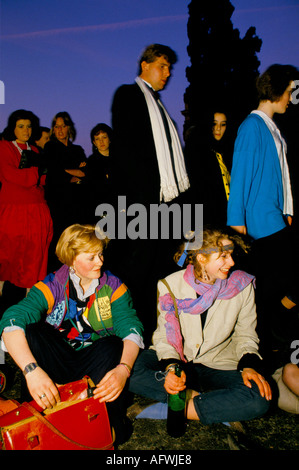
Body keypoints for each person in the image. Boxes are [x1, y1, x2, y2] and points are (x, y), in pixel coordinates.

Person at [0, 224, 144, 445]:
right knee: (34, 332)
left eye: (101, 254)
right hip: (58, 363)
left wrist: (123, 370)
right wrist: (32, 371)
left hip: (93, 365)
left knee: (114, 346)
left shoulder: (114, 287)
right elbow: (13, 318)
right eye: (91, 257)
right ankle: (37, 411)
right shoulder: (53, 284)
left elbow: (132, 330)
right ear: (72, 259)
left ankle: (105, 420)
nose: (100, 262)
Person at [128, 227, 272, 426]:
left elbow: (246, 334)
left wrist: (249, 365)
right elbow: (164, 335)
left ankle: (174, 407)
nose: (231, 262)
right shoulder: (170, 284)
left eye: (231, 255)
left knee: (260, 397)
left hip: (219, 364)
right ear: (202, 258)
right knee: (128, 368)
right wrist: (172, 368)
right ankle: (218, 408)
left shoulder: (243, 285)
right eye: (223, 256)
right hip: (180, 359)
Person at [111, 44, 190, 345]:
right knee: (136, 271)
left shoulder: (158, 105)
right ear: (144, 65)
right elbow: (127, 152)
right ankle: (127, 332)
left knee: (161, 269)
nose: (168, 73)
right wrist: (140, 203)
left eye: (170, 68)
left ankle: (155, 330)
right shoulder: (129, 94)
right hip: (142, 204)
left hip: (165, 203)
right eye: (162, 66)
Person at [227, 64, 299, 360]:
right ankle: (267, 340)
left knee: (267, 289)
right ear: (278, 90)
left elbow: (280, 174)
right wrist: (236, 220)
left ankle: (269, 339)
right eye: (291, 91)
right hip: (259, 222)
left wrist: (287, 209)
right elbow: (240, 175)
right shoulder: (252, 126)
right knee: (268, 289)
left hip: (275, 217)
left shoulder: (272, 126)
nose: (292, 97)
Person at [0, 109, 53, 312]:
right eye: (21, 126)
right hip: (14, 210)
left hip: (37, 209)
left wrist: (43, 171)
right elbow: (10, 174)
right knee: (10, 258)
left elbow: (43, 181)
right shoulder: (4, 147)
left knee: (35, 257)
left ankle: (31, 305)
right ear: (12, 127)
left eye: (29, 126)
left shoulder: (35, 150)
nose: (26, 130)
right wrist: (37, 171)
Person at [44, 112, 87, 271]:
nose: (60, 130)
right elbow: (54, 172)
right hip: (58, 201)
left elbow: (86, 172)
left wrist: (68, 171)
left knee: (76, 239)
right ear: (53, 129)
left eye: (63, 126)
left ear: (69, 128)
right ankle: (56, 278)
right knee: (59, 239)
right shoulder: (50, 147)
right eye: (56, 126)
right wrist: (74, 172)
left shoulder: (77, 149)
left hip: (77, 201)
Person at [185, 109, 234, 227]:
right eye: (214, 124)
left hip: (228, 217)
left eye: (223, 125)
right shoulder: (198, 153)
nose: (218, 129)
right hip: (208, 221)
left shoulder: (228, 153)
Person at [84, 123, 116, 223]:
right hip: (102, 209)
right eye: (97, 139)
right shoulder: (92, 162)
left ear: (110, 139)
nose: (101, 141)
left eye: (104, 137)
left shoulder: (120, 159)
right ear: (94, 142)